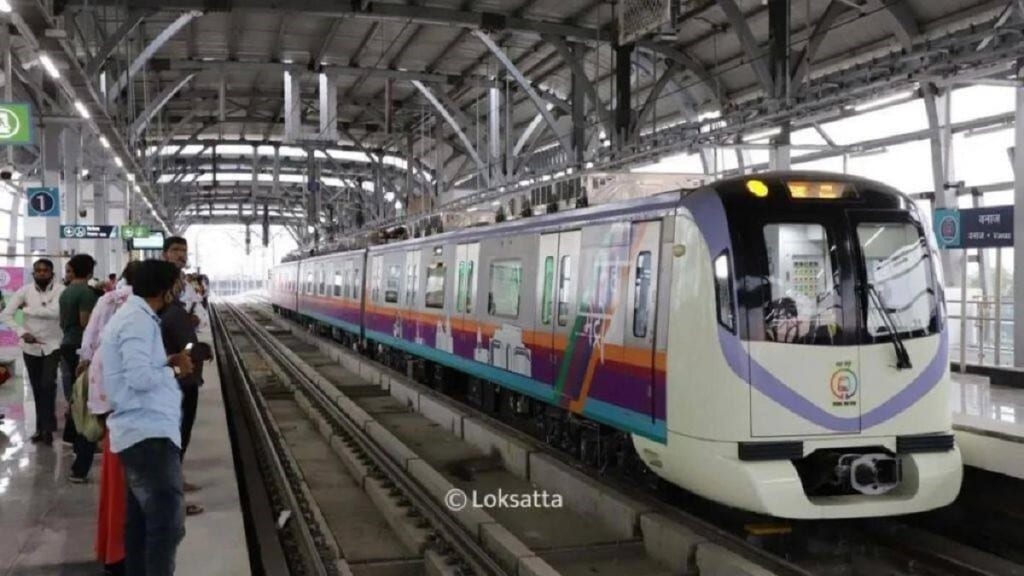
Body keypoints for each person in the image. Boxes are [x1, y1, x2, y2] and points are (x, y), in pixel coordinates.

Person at [100, 259, 194, 576]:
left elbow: (138, 368)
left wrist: (166, 359)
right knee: (166, 527)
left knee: (141, 524)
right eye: (176, 285)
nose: (179, 291)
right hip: (147, 434)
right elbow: (140, 378)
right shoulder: (137, 321)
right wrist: (174, 368)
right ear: (165, 290)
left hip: (142, 431)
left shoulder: (137, 316)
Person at [78, 261, 141, 575]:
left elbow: (88, 345)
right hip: (128, 417)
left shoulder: (111, 305)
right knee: (127, 491)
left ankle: (112, 550)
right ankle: (120, 554)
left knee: (115, 489)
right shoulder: (134, 316)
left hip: (110, 410)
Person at [159, 277, 211, 516]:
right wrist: (200, 351)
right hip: (181, 383)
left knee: (176, 436)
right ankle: (173, 492)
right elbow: (185, 348)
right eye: (177, 284)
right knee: (179, 434)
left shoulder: (166, 313)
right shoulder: (174, 314)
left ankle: (174, 484)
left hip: (177, 381)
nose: (181, 287)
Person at [0, 259, 63, 445]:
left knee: (48, 384)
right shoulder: (24, 291)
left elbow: (55, 312)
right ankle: (40, 428)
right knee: (36, 387)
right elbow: (6, 314)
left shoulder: (61, 290)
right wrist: (22, 332)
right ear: (33, 273)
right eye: (38, 271)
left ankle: (48, 427)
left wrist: (26, 309)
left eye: (45, 270)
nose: (42, 273)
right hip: (30, 346)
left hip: (53, 344)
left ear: (52, 273)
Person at [60, 253, 100, 482]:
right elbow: (87, 323)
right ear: (89, 272)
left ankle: (72, 436)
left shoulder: (66, 292)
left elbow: (62, 320)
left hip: (67, 341)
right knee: (84, 396)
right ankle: (81, 441)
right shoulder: (85, 293)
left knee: (75, 393)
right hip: (80, 346)